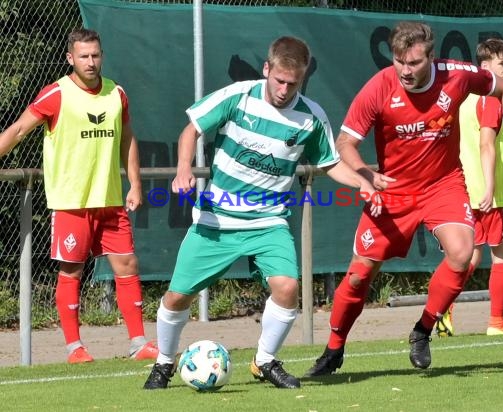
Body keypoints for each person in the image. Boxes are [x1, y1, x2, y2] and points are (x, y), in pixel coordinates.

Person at [143, 36, 380, 390]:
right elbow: (191, 130)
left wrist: (362, 182)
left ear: (302, 79)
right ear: (266, 69)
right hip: (217, 219)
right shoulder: (238, 96)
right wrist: (182, 168)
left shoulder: (311, 117)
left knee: (287, 287)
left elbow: (329, 164)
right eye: (279, 80)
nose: (284, 90)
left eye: (293, 83)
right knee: (178, 296)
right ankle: (163, 363)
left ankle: (265, 360)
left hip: (269, 222)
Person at [305, 21, 503, 375]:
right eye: (399, 61)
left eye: (413, 63)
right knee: (357, 277)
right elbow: (345, 144)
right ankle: (334, 349)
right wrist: (365, 176)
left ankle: (423, 329)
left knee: (462, 253)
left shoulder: (455, 75)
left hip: (443, 184)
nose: (405, 70)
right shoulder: (379, 87)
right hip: (392, 191)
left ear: (432, 57)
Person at [0, 28, 158, 363]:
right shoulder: (56, 94)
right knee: (72, 271)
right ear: (70, 58)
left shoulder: (117, 93)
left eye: (96, 55)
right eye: (83, 56)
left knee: (128, 264)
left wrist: (136, 183)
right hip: (71, 202)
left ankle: (139, 342)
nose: (91, 62)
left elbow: (128, 139)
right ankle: (75, 348)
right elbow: (17, 130)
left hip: (111, 199)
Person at [435, 39, 503, 338]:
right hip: (491, 191)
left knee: (466, 259)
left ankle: (440, 310)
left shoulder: (461, 96)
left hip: (461, 189)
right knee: (500, 257)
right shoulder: (491, 98)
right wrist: (489, 187)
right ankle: (497, 322)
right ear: (485, 67)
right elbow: (486, 144)